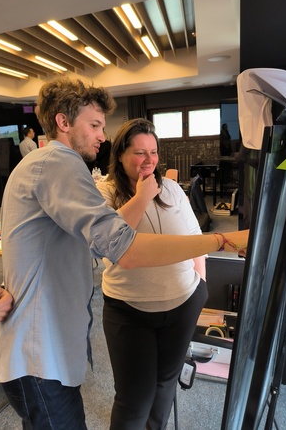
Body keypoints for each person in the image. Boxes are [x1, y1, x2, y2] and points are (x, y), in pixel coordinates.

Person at [0, 76, 248, 430]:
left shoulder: (41, 169)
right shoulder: (59, 163)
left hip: (46, 351)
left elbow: (40, 246)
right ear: (63, 122)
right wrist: (223, 242)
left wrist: (4, 287)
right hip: (40, 356)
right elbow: (123, 248)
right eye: (94, 125)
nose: (101, 136)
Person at [97, 118, 207, 429]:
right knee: (134, 400)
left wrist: (200, 288)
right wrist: (142, 196)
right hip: (130, 311)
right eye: (139, 153)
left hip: (182, 304)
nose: (149, 161)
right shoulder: (104, 193)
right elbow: (108, 243)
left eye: (154, 152)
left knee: (163, 390)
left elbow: (196, 239)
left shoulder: (171, 188)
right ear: (120, 154)